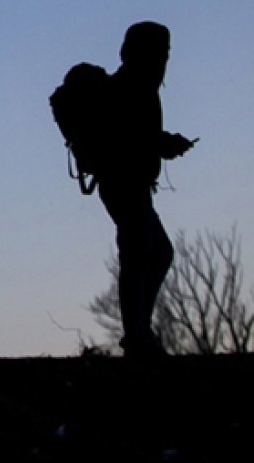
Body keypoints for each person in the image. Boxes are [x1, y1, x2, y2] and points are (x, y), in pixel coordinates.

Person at [98, 21, 195, 357]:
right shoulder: (132, 84)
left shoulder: (137, 83)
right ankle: (137, 334)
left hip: (129, 182)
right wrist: (164, 144)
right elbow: (130, 136)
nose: (165, 57)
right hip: (123, 182)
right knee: (140, 252)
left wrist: (162, 143)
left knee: (153, 252)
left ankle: (139, 330)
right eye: (162, 50)